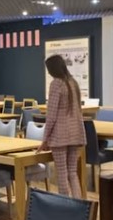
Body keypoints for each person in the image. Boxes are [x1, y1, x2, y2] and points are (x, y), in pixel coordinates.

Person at [37, 54, 86, 198]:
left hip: (60, 136)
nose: (48, 72)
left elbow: (51, 116)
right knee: (72, 172)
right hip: (76, 133)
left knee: (62, 174)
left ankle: (65, 205)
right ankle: (78, 204)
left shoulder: (56, 84)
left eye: (48, 69)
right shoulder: (73, 82)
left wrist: (45, 140)